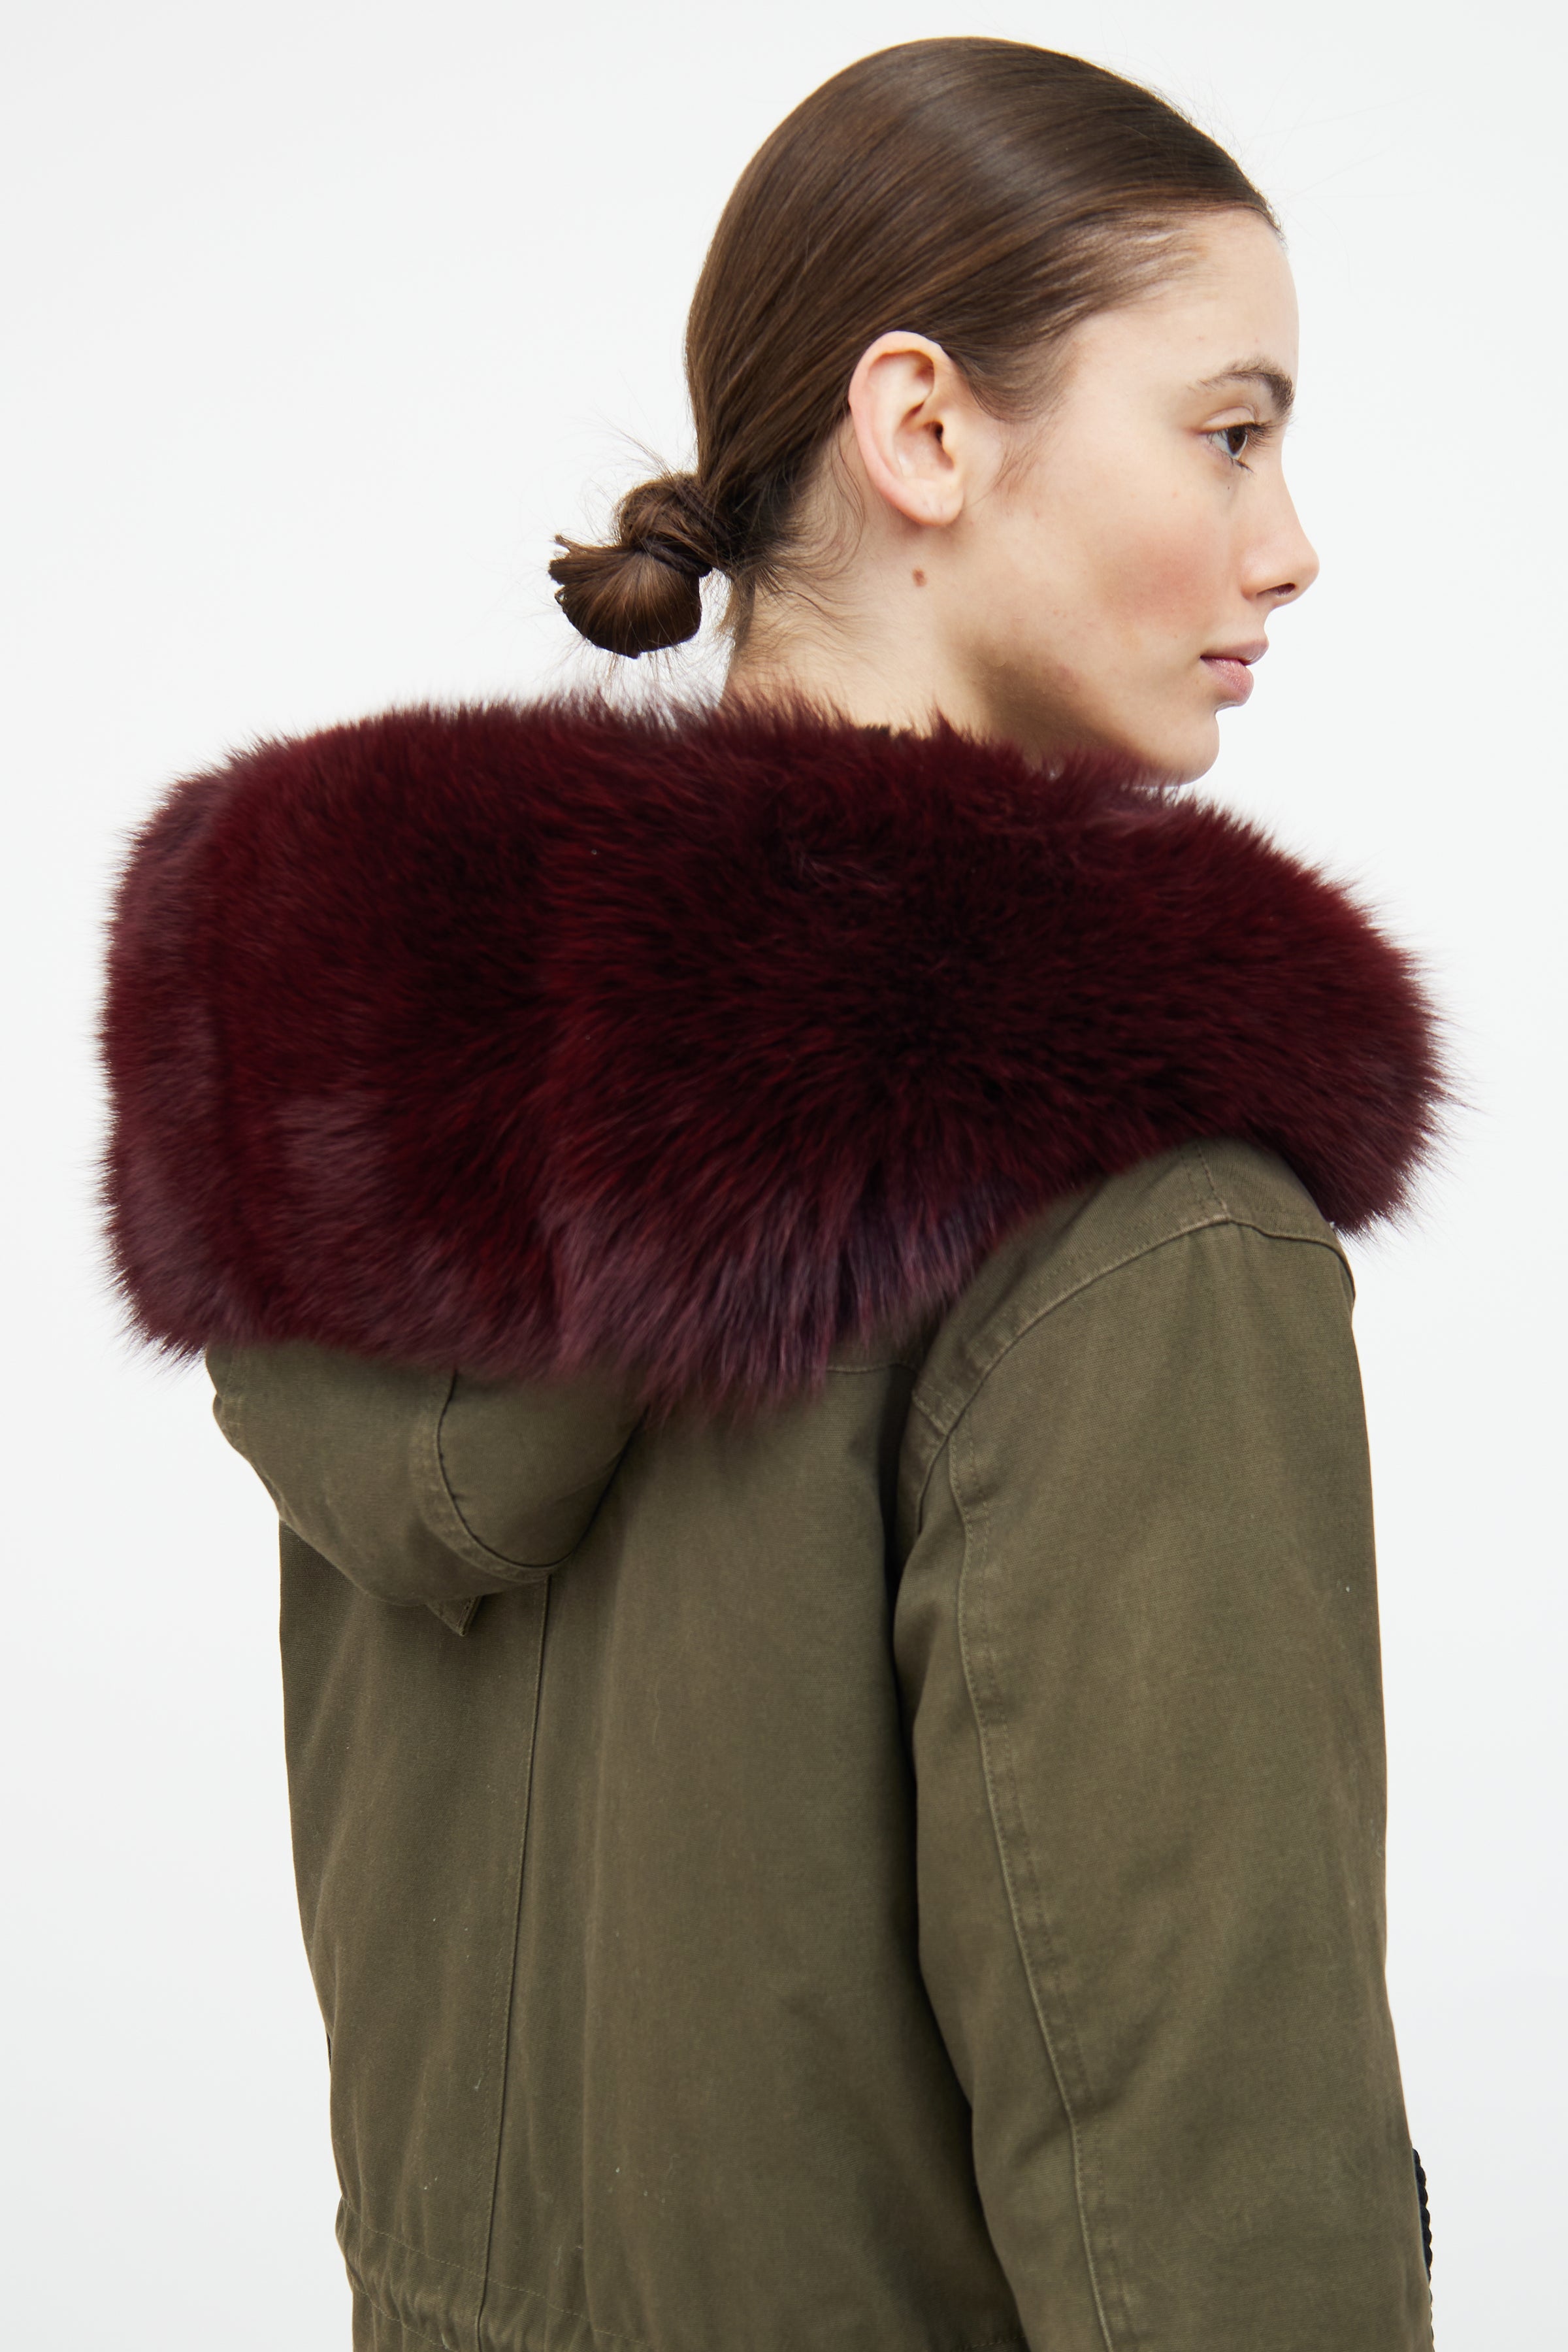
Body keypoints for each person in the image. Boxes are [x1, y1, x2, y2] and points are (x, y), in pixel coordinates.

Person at [100, 36, 1441, 2352]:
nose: (1289, 541)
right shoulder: (1129, 1222)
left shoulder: (393, 1121)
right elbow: (1216, 2226)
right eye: (1230, 431)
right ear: (923, 430)